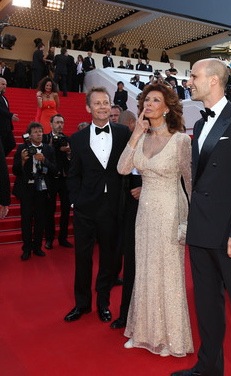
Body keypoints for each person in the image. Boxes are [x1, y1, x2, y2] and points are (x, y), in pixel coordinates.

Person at [171, 58, 231, 376]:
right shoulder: (198, 124)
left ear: (213, 80)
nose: (189, 81)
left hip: (230, 234)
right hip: (201, 230)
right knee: (207, 304)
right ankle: (208, 366)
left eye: (194, 76)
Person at [117, 83, 193, 357]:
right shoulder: (142, 137)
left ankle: (169, 339)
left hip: (171, 211)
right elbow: (123, 169)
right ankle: (143, 333)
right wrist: (135, 135)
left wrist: (191, 220)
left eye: (155, 100)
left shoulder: (181, 141)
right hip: (145, 214)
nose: (148, 104)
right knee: (145, 271)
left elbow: (190, 182)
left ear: (168, 107)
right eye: (146, 100)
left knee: (168, 274)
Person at [64, 87, 130, 323]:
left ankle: (103, 303)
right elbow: (73, 174)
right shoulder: (78, 138)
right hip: (85, 208)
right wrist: (75, 202)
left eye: (106, 102)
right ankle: (81, 304)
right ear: (88, 108)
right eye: (97, 103)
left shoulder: (123, 133)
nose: (103, 107)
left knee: (109, 259)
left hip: (112, 207)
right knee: (82, 258)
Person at [110, 110, 139, 330]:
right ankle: (126, 314)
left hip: (153, 208)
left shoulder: (167, 139)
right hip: (127, 208)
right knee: (130, 262)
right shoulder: (126, 143)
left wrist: (146, 187)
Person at [12, 122, 56, 261]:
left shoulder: (48, 149)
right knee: (26, 220)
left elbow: (54, 170)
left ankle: (37, 247)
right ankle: (27, 249)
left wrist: (45, 161)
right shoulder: (22, 148)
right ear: (29, 135)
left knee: (40, 220)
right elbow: (15, 170)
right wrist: (23, 161)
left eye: (40, 131)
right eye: (36, 132)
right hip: (26, 189)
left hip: (42, 189)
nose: (39, 134)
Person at [42, 114, 73, 250]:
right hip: (51, 179)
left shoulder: (67, 139)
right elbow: (44, 156)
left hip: (65, 179)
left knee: (66, 210)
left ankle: (63, 238)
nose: (60, 125)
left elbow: (73, 159)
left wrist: (68, 153)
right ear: (51, 124)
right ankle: (49, 239)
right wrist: (55, 148)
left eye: (62, 122)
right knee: (49, 210)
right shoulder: (45, 138)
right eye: (57, 122)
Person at [0, 77, 18, 157]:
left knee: (11, 144)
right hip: (1, 127)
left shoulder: (4, 97)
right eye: (3, 84)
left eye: (6, 85)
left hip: (7, 127)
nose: (5, 86)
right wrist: (10, 115)